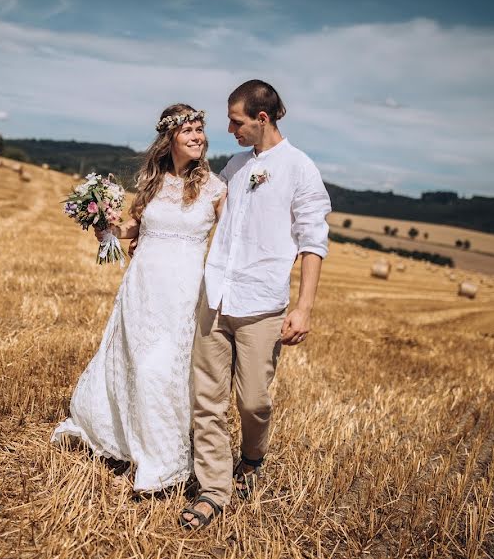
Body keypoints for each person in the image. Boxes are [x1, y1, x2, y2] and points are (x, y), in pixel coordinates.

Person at [179, 80, 331, 529]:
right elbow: (200, 203)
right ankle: (214, 490)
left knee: (254, 401)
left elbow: (313, 243)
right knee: (206, 399)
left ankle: (252, 457)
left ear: (261, 119)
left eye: (237, 121)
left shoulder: (300, 169)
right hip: (216, 296)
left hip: (262, 302)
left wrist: (302, 308)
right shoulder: (236, 164)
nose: (230, 129)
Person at [52, 104, 227, 492]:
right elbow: (134, 226)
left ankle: (165, 461)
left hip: (183, 294)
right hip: (143, 288)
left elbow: (231, 240)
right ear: (170, 139)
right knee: (137, 363)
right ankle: (127, 440)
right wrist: (102, 223)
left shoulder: (215, 189)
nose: (198, 136)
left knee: (163, 370)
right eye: (189, 131)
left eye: (200, 129)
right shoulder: (153, 182)